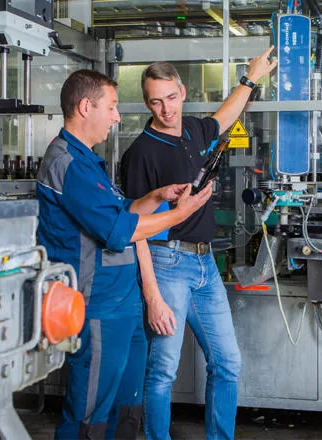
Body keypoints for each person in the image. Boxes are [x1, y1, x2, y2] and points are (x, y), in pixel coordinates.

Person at [36, 69, 212, 440]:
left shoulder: (87, 161)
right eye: (112, 107)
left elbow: (122, 211)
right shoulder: (67, 164)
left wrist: (157, 197)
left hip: (124, 303)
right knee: (90, 413)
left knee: (128, 407)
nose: (117, 117)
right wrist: (180, 213)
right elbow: (120, 230)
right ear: (86, 107)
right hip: (98, 305)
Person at [120, 46, 278, 440]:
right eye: (156, 101)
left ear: (182, 92)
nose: (166, 109)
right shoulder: (140, 153)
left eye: (171, 98)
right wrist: (152, 296)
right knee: (163, 371)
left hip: (206, 265)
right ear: (147, 103)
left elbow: (224, 117)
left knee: (227, 363)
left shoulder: (191, 129)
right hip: (166, 264)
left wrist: (251, 78)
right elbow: (134, 230)